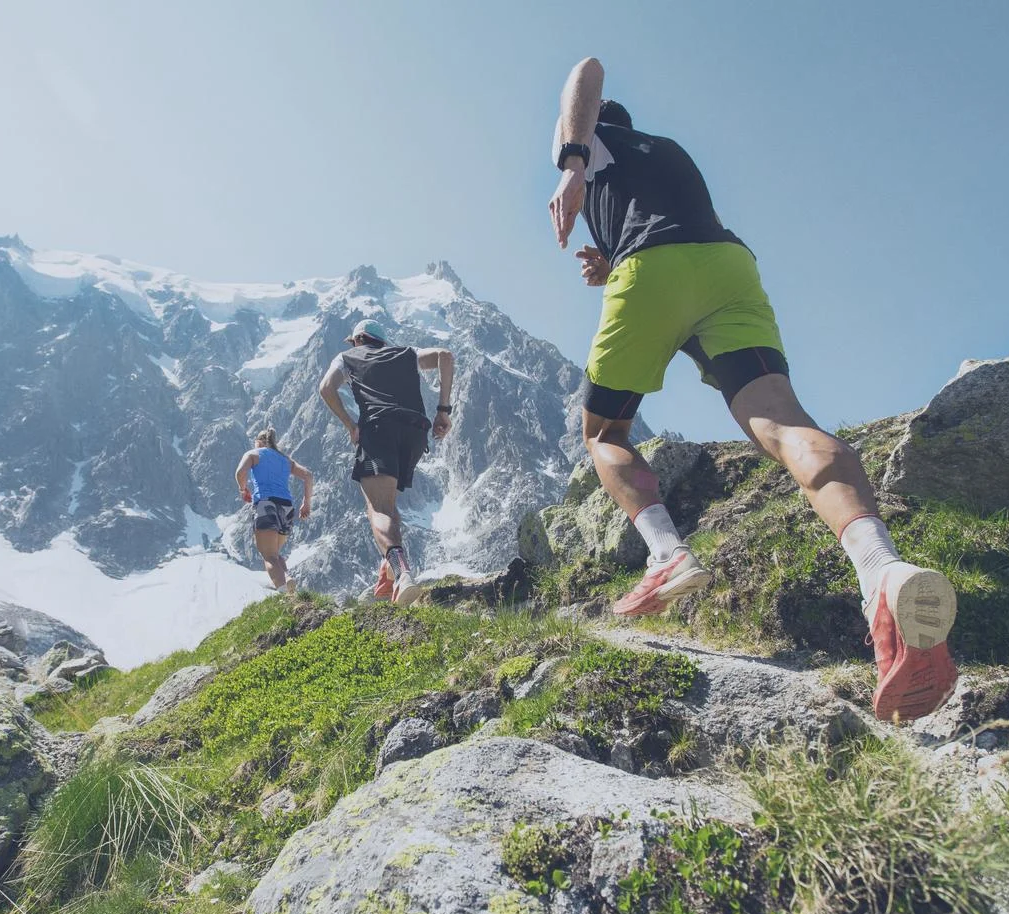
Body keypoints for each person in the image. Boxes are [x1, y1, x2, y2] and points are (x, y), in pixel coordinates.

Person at [546, 57, 957, 722]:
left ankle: (666, 554)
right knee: (783, 422)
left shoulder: (590, 141)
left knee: (602, 434)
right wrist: (609, 257)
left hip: (654, 275)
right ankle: (881, 570)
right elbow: (654, 222)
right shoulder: (665, 151)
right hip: (727, 268)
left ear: (594, 130)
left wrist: (569, 160)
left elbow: (584, 71)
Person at [318, 319, 454, 606]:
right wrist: (443, 410)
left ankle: (403, 573)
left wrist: (349, 424)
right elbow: (445, 356)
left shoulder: (347, 357)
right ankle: (388, 572)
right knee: (388, 504)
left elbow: (326, 388)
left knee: (377, 508)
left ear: (358, 340)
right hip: (416, 431)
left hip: (379, 428)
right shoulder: (405, 352)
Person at [234, 427, 314, 595]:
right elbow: (308, 475)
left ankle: (284, 592)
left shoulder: (253, 454)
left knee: (268, 556)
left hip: (266, 503)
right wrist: (306, 503)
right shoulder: (285, 459)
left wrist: (243, 489)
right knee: (275, 554)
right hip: (287, 507)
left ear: (260, 441)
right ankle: (287, 581)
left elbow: (240, 473)